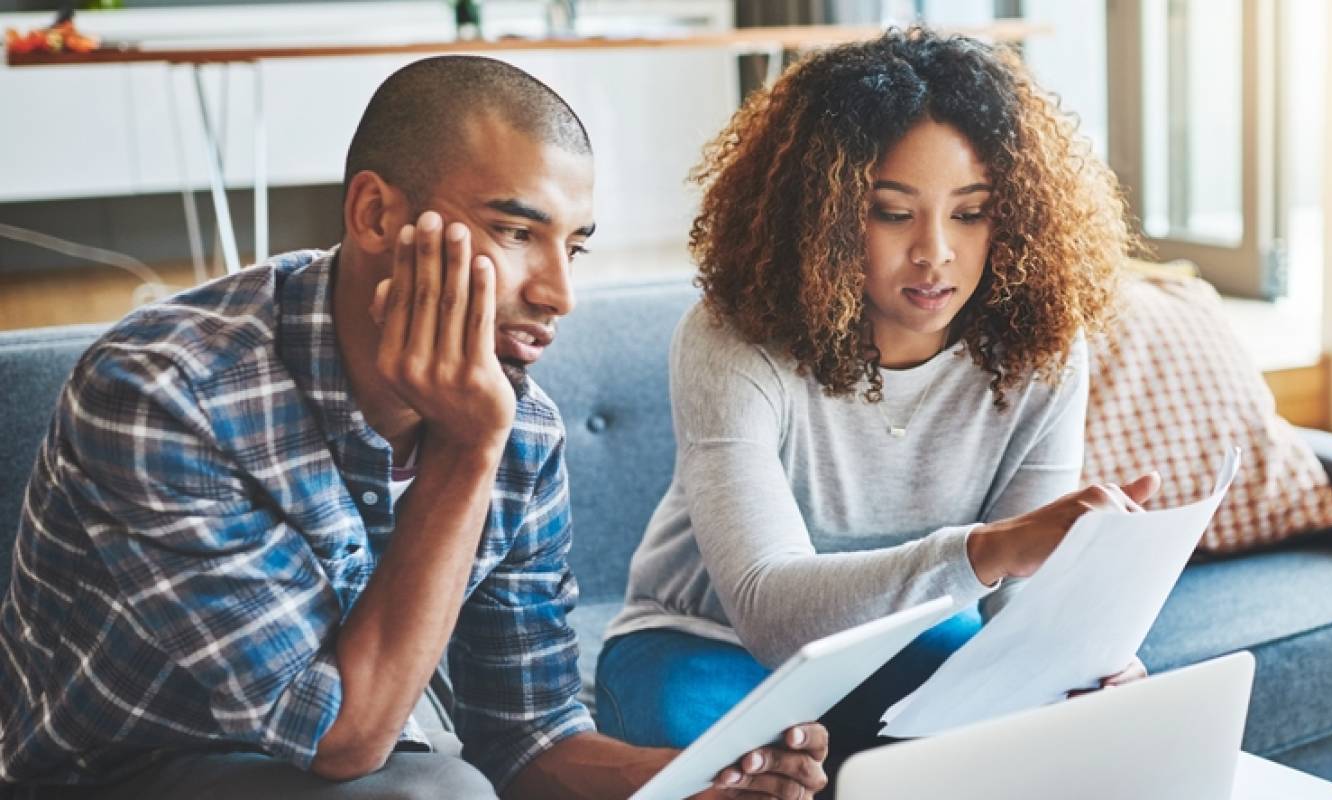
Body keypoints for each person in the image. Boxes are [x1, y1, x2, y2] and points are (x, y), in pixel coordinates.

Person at [0, 56, 825, 800]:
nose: (557, 294)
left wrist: (698, 775)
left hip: (385, 743)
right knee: (436, 793)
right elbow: (338, 738)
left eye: (571, 247)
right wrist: (465, 450)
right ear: (374, 214)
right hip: (128, 772)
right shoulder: (166, 395)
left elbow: (526, 733)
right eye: (514, 232)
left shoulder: (519, 427)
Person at [595, 28, 1156, 784]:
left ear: (1014, 216)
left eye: (970, 212)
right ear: (822, 217)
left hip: (903, 636)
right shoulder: (733, 341)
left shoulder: (1043, 349)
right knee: (738, 780)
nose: (935, 252)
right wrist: (990, 550)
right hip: (702, 644)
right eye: (892, 213)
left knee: (1048, 741)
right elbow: (768, 607)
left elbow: (1023, 610)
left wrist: (1089, 658)